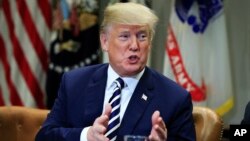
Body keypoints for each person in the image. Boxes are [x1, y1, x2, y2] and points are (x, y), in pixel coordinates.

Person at [35, 2, 196, 141]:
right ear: (105, 41)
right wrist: (86, 135)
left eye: (142, 36)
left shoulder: (175, 99)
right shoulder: (74, 83)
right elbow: (44, 136)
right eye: (125, 36)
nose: (134, 45)